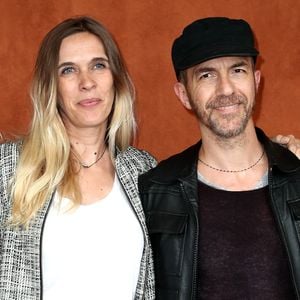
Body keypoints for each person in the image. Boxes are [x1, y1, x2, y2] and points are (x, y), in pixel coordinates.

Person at [138, 17, 300, 299]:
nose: (226, 89)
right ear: (184, 95)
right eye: (206, 75)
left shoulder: (296, 175)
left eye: (237, 70)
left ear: (256, 81)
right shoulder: (156, 191)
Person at [0, 16, 156, 300]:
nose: (87, 82)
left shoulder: (145, 170)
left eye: (98, 65)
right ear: (51, 87)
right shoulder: (8, 168)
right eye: (68, 70)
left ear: (115, 79)